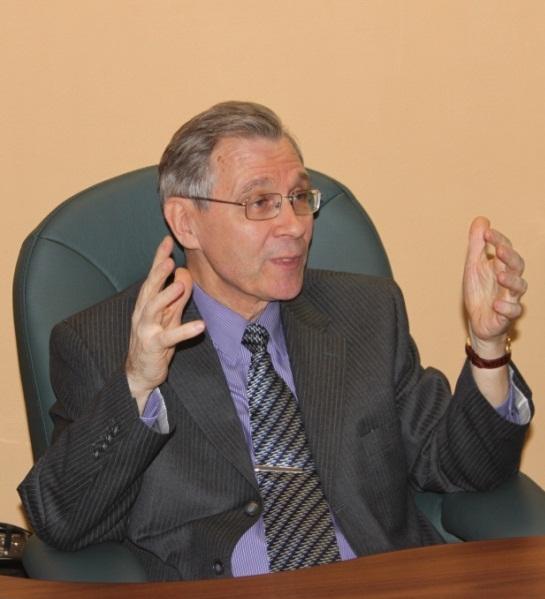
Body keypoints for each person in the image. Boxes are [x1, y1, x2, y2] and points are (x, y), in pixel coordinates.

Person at [19, 101, 531, 581]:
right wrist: (137, 385)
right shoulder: (105, 342)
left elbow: (464, 466)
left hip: (382, 583)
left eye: (299, 199)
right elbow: (64, 521)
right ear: (186, 223)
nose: (294, 226)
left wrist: (488, 348)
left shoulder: (366, 313)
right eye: (261, 203)